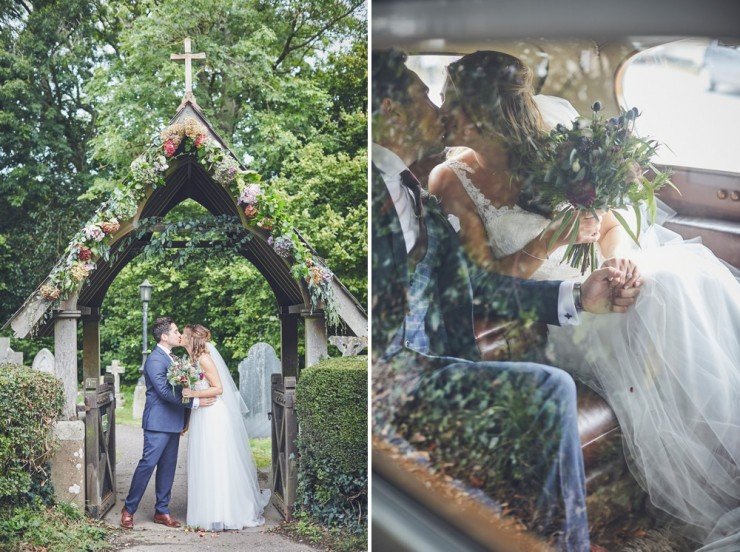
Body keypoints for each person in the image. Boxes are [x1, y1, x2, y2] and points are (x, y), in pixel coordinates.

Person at [429, 50, 740, 550]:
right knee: (662, 296)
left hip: (602, 277)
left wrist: (616, 264)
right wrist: (552, 242)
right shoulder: (450, 181)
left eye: (450, 100)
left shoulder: (556, 146)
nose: (440, 109)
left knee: (676, 280)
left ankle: (730, 460)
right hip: (553, 311)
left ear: (483, 110)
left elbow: (612, 224)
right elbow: (490, 285)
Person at [372, 49, 641, 551]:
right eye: (423, 97)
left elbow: (476, 285)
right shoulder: (376, 193)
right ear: (390, 109)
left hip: (439, 354)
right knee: (552, 387)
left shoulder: (409, 187)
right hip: (394, 376)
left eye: (442, 97)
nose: (436, 109)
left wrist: (580, 296)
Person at [121, 317, 215, 529]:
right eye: (174, 332)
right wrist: (195, 403)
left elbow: (181, 385)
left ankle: (162, 511)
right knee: (147, 466)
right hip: (157, 422)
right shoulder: (155, 360)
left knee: (168, 468)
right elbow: (164, 392)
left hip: (173, 421)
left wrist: (184, 418)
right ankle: (128, 510)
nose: (178, 335)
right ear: (164, 336)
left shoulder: (173, 357)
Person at [180, 324, 271, 530]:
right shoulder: (190, 360)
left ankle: (225, 512)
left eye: (184, 335)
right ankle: (208, 511)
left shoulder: (204, 358)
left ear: (192, 339)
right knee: (204, 461)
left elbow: (218, 388)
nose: (181, 337)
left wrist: (192, 393)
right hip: (200, 414)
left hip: (213, 414)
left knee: (216, 460)